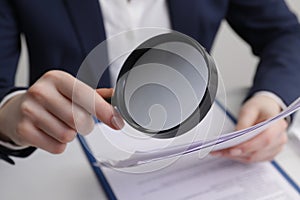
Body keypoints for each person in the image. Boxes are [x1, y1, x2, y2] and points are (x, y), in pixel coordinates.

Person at [0, 0, 299, 164]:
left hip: (193, 153)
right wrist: (8, 115)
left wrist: (271, 98)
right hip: (64, 158)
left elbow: (287, 34)